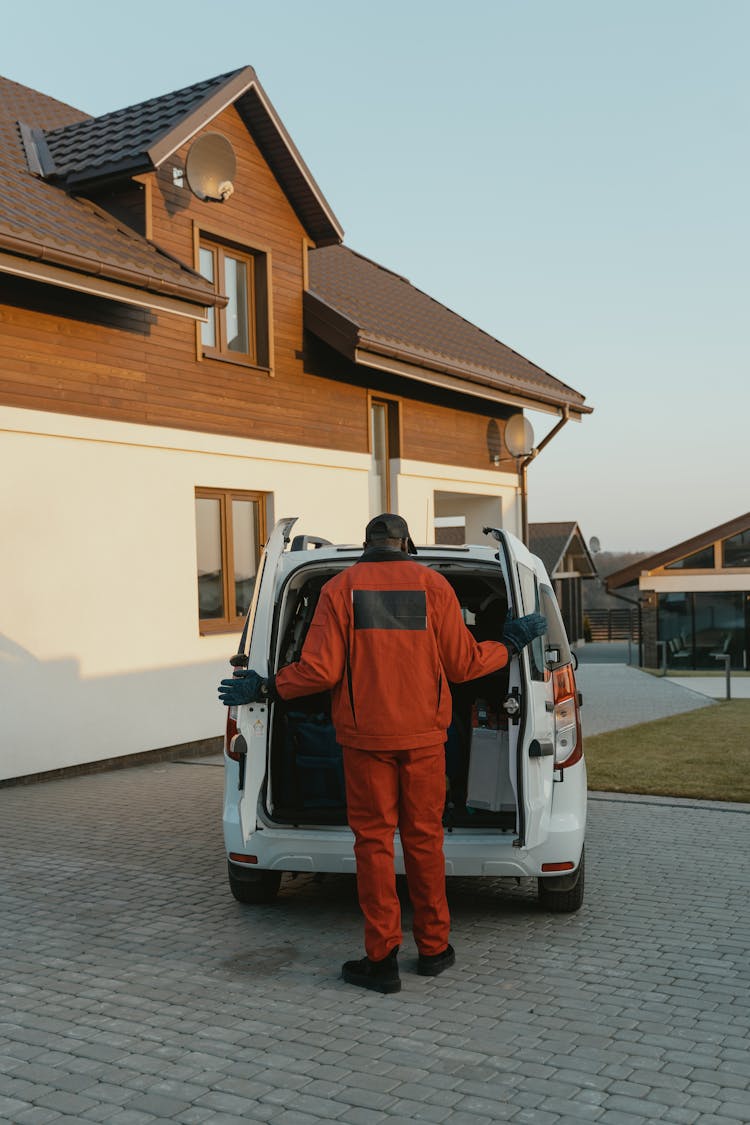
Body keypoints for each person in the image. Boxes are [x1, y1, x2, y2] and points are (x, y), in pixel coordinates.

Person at [218, 514, 546, 994]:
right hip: (425, 742)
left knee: (373, 846)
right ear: (406, 544)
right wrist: (509, 643)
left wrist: (268, 685)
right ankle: (434, 949)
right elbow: (464, 665)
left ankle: (382, 959)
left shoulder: (339, 588)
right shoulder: (434, 587)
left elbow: (319, 672)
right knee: (424, 841)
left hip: (365, 742)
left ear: (364, 546)